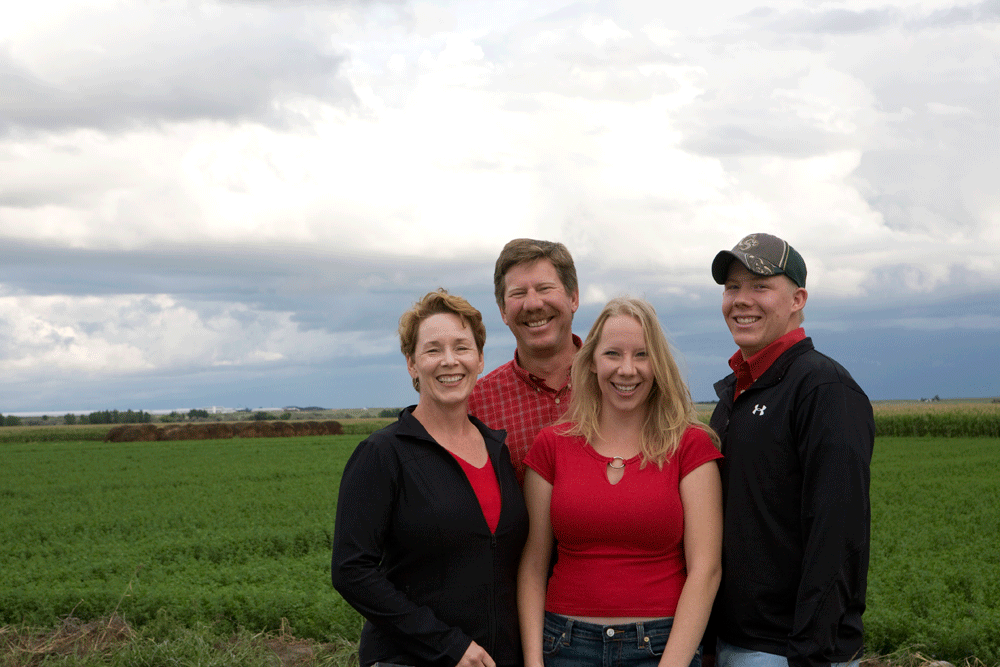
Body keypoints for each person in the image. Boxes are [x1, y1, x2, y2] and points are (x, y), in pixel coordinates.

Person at [518, 296, 723, 667]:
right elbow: (533, 565)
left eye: (642, 355)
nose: (627, 370)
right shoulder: (552, 446)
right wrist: (533, 662)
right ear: (592, 362)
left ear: (659, 364)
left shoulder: (690, 445)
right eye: (613, 354)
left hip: (661, 645)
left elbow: (705, 569)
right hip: (564, 645)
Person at [331, 289, 529, 667]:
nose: (449, 361)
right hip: (411, 659)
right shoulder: (383, 453)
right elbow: (350, 571)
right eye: (433, 349)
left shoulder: (497, 450)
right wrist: (449, 646)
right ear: (411, 364)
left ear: (481, 359)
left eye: (462, 347)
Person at [707, 233, 875, 667]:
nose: (741, 300)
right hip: (734, 641)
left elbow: (838, 534)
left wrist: (809, 654)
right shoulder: (735, 394)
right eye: (732, 288)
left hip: (789, 651)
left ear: (798, 298)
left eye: (760, 286)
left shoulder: (824, 389)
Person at [468, 239, 581, 484]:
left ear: (574, 297)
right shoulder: (475, 406)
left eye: (544, 288)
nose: (533, 304)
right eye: (518, 293)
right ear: (502, 311)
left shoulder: (618, 384)